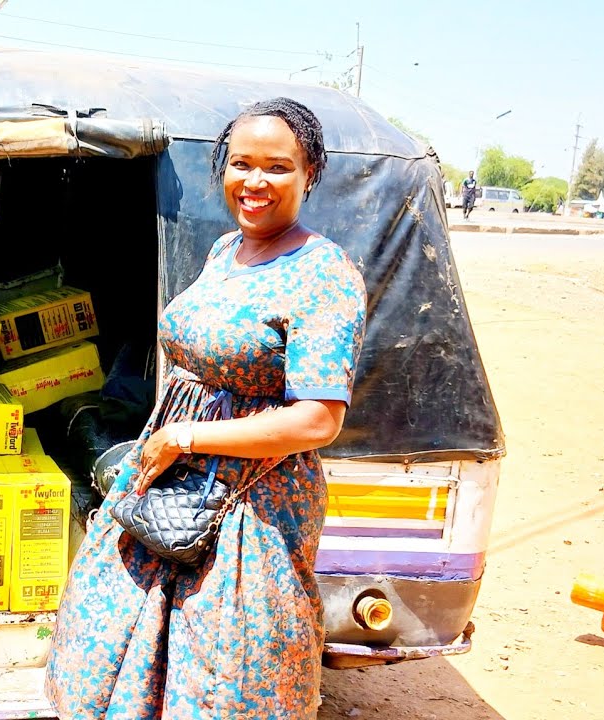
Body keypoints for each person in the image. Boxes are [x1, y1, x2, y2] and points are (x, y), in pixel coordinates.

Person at [45, 97, 367, 719]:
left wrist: (187, 438)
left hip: (254, 495)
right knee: (117, 634)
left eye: (277, 167)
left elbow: (317, 420)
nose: (254, 182)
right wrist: (171, 439)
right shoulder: (228, 252)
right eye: (241, 164)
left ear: (309, 175)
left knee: (225, 663)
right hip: (171, 477)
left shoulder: (322, 273)